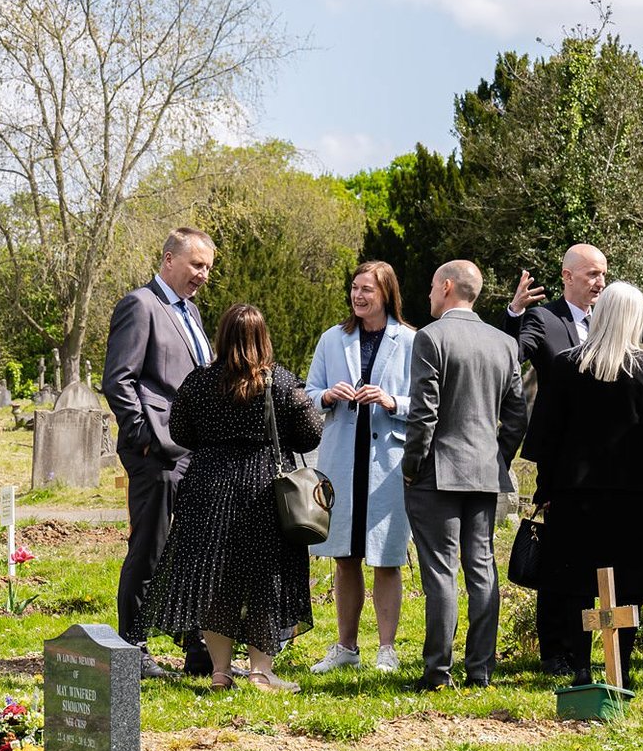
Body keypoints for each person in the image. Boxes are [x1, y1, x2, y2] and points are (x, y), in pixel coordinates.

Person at [145, 304, 324, 693]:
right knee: (266, 578)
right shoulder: (280, 382)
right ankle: (261, 672)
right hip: (262, 488)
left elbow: (179, 431)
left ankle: (220, 672)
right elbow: (312, 433)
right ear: (263, 339)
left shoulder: (198, 382)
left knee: (214, 579)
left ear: (223, 336)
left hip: (207, 486)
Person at [523, 281, 643, 685]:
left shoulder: (567, 364)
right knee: (626, 584)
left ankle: (580, 665)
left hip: (576, 494)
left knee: (575, 583)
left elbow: (548, 437)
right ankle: (619, 667)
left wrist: (545, 489)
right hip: (634, 496)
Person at [403, 260, 530, 691]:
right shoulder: (502, 342)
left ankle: (438, 671)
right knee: (482, 569)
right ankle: (480, 668)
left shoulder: (430, 337)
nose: (428, 295)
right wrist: (499, 457)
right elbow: (517, 415)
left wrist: (410, 467)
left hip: (436, 470)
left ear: (447, 286)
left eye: (432, 286)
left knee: (440, 571)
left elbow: (424, 414)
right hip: (483, 469)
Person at [104, 228, 218, 676]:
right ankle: (133, 649)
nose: (203, 275)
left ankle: (197, 649)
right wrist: (145, 437)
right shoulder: (141, 305)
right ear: (169, 259)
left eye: (208, 267)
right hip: (157, 452)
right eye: (196, 265)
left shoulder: (190, 312)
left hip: (193, 451)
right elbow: (120, 379)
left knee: (191, 551)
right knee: (149, 549)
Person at [304, 261, 417, 674]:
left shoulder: (409, 340)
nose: (358, 296)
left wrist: (391, 402)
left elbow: (423, 402)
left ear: (386, 293)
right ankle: (345, 646)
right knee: (344, 555)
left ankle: (386, 648)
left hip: (386, 461)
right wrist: (328, 396)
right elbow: (308, 392)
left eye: (367, 289)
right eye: (354, 288)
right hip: (342, 459)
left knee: (386, 556)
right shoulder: (333, 339)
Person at [505, 243, 611, 675]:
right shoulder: (543, 319)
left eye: (603, 274)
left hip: (608, 459)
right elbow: (512, 354)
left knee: (601, 556)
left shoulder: (612, 319)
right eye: (591, 275)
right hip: (562, 462)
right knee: (560, 556)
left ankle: (601, 645)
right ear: (567, 277)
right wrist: (513, 315)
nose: (599, 283)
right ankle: (556, 650)